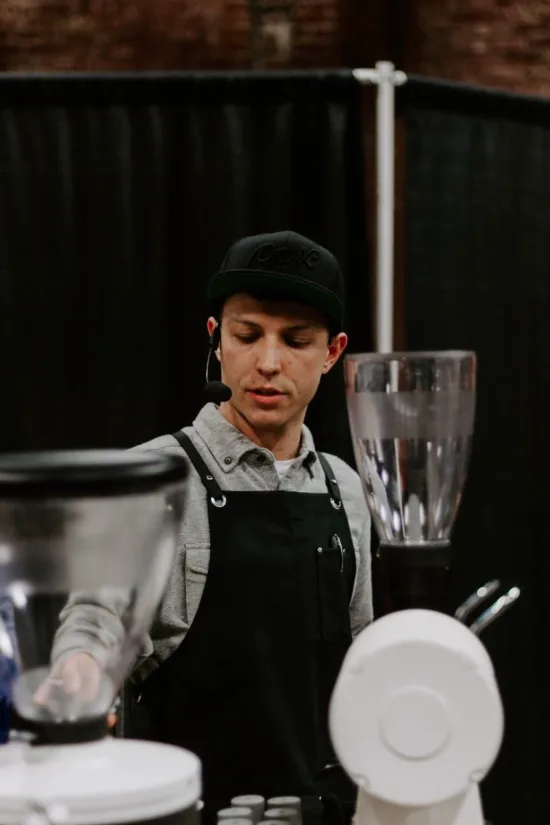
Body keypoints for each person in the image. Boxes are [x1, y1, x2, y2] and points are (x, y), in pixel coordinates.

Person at [41, 231, 373, 825]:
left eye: (296, 341)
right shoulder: (152, 479)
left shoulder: (345, 489)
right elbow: (96, 620)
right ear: (216, 339)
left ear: (332, 351)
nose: (268, 363)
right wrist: (79, 670)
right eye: (247, 336)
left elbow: (362, 665)